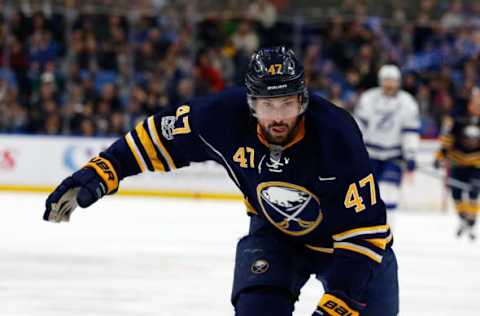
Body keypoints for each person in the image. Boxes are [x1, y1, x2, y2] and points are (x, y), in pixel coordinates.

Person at [44, 47, 398, 316]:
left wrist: (338, 305)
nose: (278, 117)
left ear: (302, 100)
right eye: (267, 105)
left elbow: (363, 235)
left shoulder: (336, 133)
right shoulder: (222, 116)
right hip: (276, 235)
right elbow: (156, 136)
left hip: (347, 249)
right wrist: (103, 170)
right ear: (251, 103)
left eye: (287, 104)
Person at [354, 65, 420, 225]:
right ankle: (366, 230)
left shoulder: (407, 103)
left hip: (394, 156)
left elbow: (410, 131)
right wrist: (353, 147)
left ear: (398, 82)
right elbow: (358, 126)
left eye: (393, 81)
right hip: (370, 154)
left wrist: (410, 154)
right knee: (366, 195)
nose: (389, 85)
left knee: (390, 193)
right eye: (386, 81)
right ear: (380, 81)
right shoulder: (368, 98)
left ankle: (387, 232)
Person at [435, 87, 480, 241]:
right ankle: (463, 219)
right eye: (476, 99)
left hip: (476, 164)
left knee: (474, 192)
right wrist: (439, 156)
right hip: (457, 163)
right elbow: (448, 139)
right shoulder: (459, 117)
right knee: (456, 194)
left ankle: (472, 221)